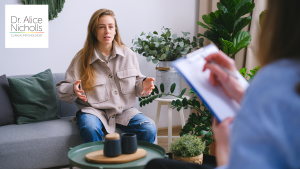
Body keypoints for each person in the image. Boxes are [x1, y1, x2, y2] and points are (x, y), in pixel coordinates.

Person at [145, 0, 300, 168]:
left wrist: (224, 148)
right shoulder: (285, 81)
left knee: (158, 165)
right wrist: (244, 93)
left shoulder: (280, 76)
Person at [56, 9, 157, 143]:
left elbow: (137, 83)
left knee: (149, 128)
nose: (107, 31)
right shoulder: (81, 59)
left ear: (116, 30)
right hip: (93, 112)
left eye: (111, 26)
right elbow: (62, 90)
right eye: (101, 27)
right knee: (90, 128)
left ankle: (136, 163)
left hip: (124, 111)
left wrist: (143, 84)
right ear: (94, 31)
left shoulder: (128, 54)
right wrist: (73, 89)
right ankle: (98, 163)